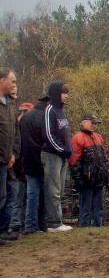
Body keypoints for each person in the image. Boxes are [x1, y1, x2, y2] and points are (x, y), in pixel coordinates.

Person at [41, 81, 73, 232]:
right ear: (56, 93)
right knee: (53, 189)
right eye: (63, 92)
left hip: (63, 156)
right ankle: (53, 223)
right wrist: (61, 149)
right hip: (52, 155)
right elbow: (48, 134)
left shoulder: (62, 111)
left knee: (59, 190)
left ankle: (58, 221)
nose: (66, 95)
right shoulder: (50, 110)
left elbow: (65, 134)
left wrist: (68, 150)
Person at [69, 114, 109, 227]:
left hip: (99, 178)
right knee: (85, 208)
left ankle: (98, 229)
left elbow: (105, 158)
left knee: (98, 207)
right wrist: (78, 179)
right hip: (86, 180)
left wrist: (106, 174)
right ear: (84, 122)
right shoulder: (77, 138)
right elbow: (74, 161)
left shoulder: (99, 137)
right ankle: (84, 230)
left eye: (95, 123)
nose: (94, 125)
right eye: (92, 123)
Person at [21, 96, 50, 234]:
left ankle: (30, 226)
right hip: (43, 161)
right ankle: (41, 225)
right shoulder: (46, 117)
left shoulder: (26, 116)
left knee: (32, 195)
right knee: (44, 195)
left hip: (28, 162)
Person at [5, 102, 34, 237]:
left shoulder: (25, 129)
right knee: (16, 200)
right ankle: (13, 226)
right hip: (16, 171)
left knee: (25, 200)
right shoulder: (15, 129)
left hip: (26, 171)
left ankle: (21, 225)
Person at [0, 68, 17, 246]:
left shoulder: (9, 105)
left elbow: (13, 132)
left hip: (6, 160)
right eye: (11, 81)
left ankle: (2, 231)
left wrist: (12, 153)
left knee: (4, 196)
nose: (14, 85)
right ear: (1, 81)